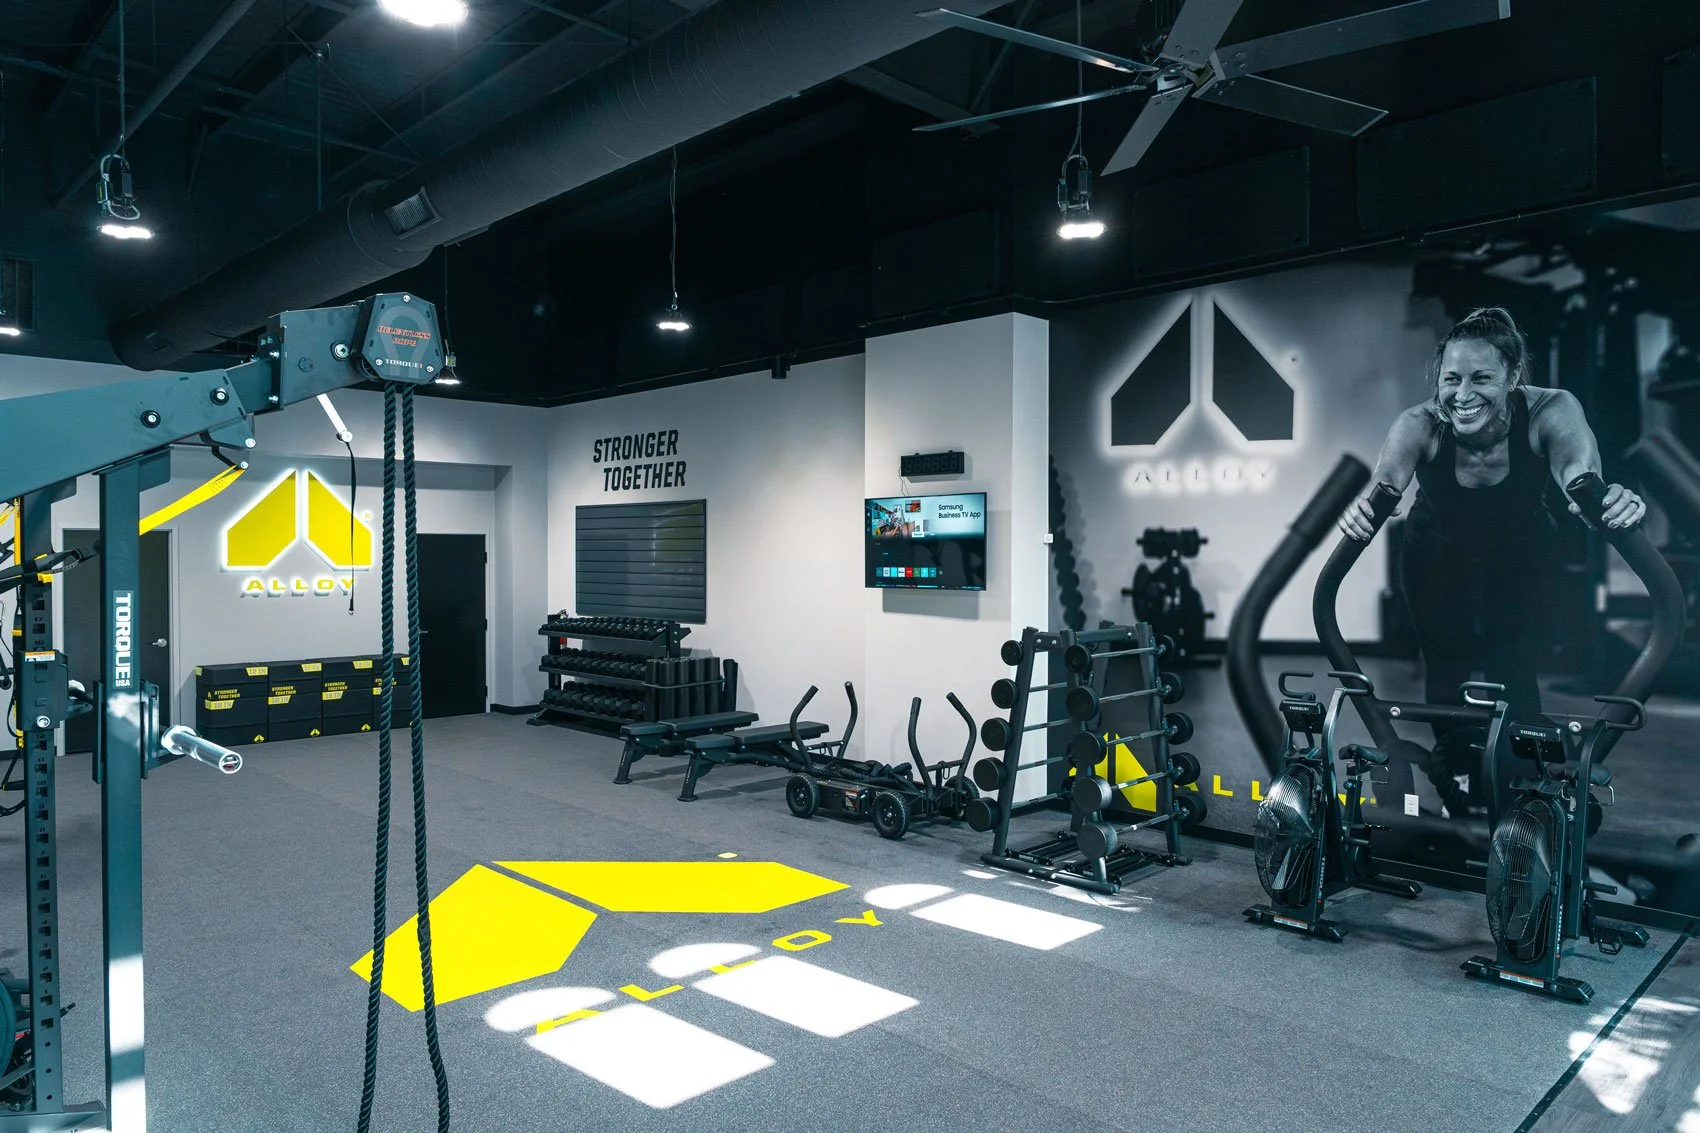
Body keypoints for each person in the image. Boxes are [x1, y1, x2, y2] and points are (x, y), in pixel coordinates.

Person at [1338, 307, 1644, 815]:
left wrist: (1604, 500)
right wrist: (1364, 510)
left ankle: (1524, 780)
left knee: (1515, 662)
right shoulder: (1421, 423)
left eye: (1482, 378)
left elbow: (1579, 471)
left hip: (1519, 552)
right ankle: (1455, 767)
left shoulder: (1550, 409)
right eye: (1451, 379)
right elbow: (1387, 479)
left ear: (1513, 376)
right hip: (1435, 553)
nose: (1463, 394)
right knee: (1446, 658)